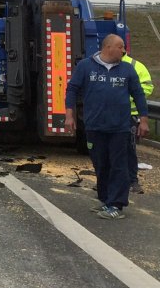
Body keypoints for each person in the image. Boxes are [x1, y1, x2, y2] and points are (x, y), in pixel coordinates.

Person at [64, 34, 148, 220]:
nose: (124, 50)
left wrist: (144, 119)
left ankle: (116, 204)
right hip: (94, 126)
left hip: (120, 127)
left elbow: (139, 95)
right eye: (120, 47)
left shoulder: (127, 69)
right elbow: (72, 89)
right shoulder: (86, 66)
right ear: (108, 47)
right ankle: (105, 199)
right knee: (101, 164)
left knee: (119, 166)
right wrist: (69, 115)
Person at [122, 52, 154, 194]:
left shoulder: (135, 66)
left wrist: (125, 97)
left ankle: (132, 181)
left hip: (130, 115)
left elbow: (147, 87)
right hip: (110, 115)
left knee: (129, 150)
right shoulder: (105, 64)